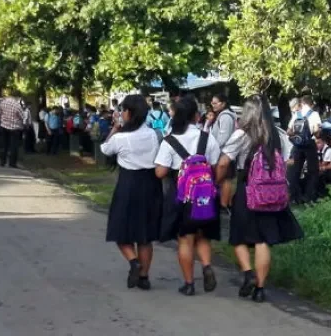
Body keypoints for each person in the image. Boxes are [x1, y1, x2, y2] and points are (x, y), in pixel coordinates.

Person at [215, 95, 303, 303]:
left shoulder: (241, 134)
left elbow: (223, 162)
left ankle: (248, 272)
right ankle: (261, 288)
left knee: (238, 237)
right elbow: (290, 161)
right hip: (273, 194)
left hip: (248, 191)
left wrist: (218, 181)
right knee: (263, 241)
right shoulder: (279, 135)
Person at [155, 97, 222, 296]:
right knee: (202, 235)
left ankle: (189, 283)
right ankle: (207, 266)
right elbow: (216, 164)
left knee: (185, 239)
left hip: (181, 195)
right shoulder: (206, 137)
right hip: (206, 195)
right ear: (196, 115)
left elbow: (160, 172)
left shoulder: (170, 140)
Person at [101, 94, 163, 290]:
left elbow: (105, 149)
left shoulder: (121, 138)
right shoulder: (154, 134)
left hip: (128, 183)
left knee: (120, 229)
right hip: (151, 184)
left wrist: (115, 128)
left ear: (128, 112)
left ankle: (134, 262)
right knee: (145, 235)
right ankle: (144, 277)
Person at [288, 95, 323, 204]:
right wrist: (317, 133)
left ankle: (294, 197)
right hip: (309, 144)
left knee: (294, 171)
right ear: (310, 104)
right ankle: (308, 197)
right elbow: (317, 132)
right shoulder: (314, 114)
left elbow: (288, 131)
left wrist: (297, 136)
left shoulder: (296, 114)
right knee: (313, 171)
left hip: (297, 146)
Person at [208, 93, 238, 208]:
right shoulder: (223, 115)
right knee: (225, 178)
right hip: (223, 152)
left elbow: (223, 137)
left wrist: (214, 149)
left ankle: (225, 204)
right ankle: (225, 203)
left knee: (226, 179)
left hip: (224, 152)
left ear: (223, 103)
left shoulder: (225, 117)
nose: (213, 105)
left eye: (215, 103)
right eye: (212, 103)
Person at [0, 90, 28, 168]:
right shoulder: (17, 105)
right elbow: (22, 116)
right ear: (18, 97)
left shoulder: (3, 102)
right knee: (13, 146)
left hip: (3, 126)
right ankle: (12, 163)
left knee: (3, 144)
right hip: (14, 128)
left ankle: (2, 161)